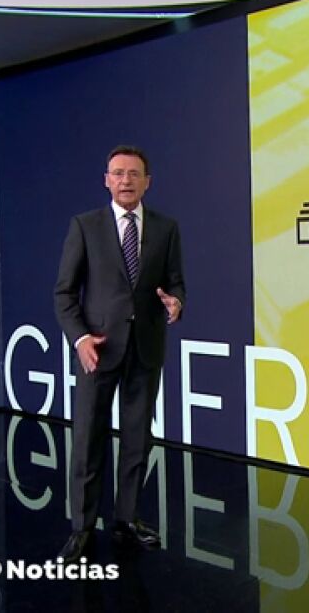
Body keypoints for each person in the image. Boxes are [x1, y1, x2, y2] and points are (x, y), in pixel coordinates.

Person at [53, 145, 185, 563]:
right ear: (106, 180)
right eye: (118, 173)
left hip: (145, 348)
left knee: (137, 439)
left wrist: (176, 302)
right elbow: (64, 294)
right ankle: (82, 527)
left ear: (148, 181)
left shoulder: (166, 228)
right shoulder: (85, 226)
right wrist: (80, 339)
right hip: (98, 350)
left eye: (134, 173)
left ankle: (126, 520)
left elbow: (176, 282)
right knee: (88, 439)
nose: (125, 180)